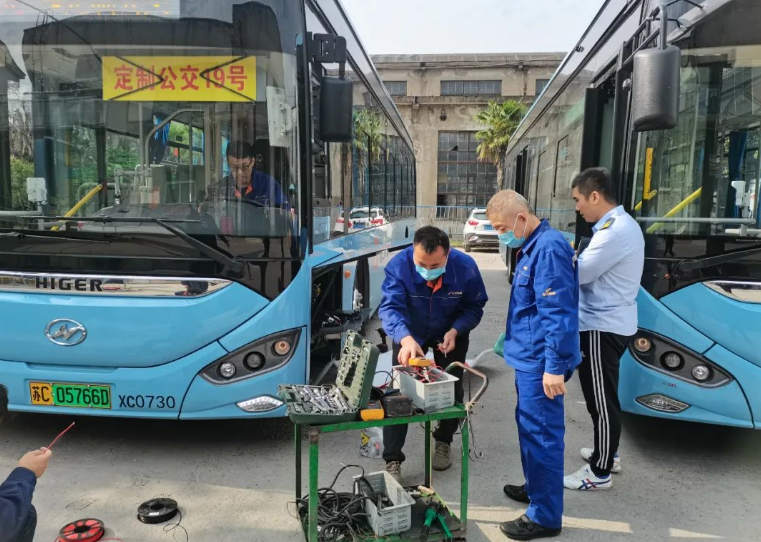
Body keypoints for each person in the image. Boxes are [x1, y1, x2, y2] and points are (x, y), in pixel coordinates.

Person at [487, 190, 580, 540]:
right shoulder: (533, 246)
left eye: (501, 228)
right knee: (530, 428)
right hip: (529, 358)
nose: (500, 235)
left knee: (541, 435)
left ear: (522, 218)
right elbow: (531, 308)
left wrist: (554, 366)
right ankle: (536, 488)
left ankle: (544, 516)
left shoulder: (549, 248)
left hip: (542, 362)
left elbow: (558, 312)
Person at [378, 226, 487, 483]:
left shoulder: (466, 268)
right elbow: (390, 308)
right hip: (409, 334)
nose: (428, 270)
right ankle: (393, 457)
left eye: (435, 265)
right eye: (421, 264)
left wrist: (456, 330)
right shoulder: (399, 266)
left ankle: (444, 441)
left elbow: (474, 306)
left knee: (451, 389)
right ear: (412, 253)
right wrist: (404, 338)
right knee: (399, 395)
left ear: (448, 254)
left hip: (449, 333)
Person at [563, 167, 644, 491]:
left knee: (600, 400)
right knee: (603, 395)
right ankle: (607, 453)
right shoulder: (620, 225)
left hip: (600, 326)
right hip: (611, 322)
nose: (578, 207)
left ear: (595, 196)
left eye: (578, 200)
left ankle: (600, 471)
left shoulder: (614, 232)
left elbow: (579, 274)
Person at [208, 140, 288, 208]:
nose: (239, 172)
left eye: (244, 166)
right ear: (228, 163)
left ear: (252, 161)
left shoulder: (269, 185)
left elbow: (285, 215)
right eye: (234, 167)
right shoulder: (220, 188)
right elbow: (207, 215)